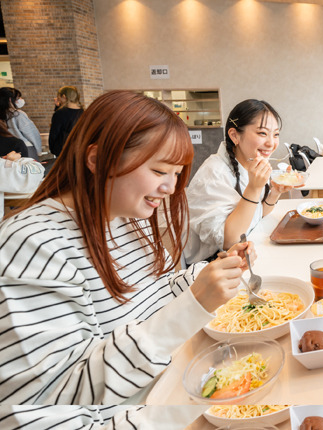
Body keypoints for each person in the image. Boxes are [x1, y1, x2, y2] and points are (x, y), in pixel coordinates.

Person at [0, 90, 253, 405]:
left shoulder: (127, 217)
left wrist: (214, 272)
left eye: (176, 175)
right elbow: (48, 399)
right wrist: (194, 304)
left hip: (176, 385)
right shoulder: (32, 246)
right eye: (160, 171)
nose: (171, 188)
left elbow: (157, 295)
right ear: (97, 159)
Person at [184, 99, 294, 264]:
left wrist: (275, 192)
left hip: (247, 253)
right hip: (212, 266)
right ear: (235, 135)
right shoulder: (214, 174)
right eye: (262, 133)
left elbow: (256, 215)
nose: (271, 143)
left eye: (275, 134)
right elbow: (229, 241)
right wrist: (254, 188)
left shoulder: (247, 163)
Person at [0, 87, 42, 160]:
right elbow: (31, 133)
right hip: (26, 148)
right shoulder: (18, 114)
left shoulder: (2, 115)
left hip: (7, 152)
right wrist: (39, 150)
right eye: (17, 98)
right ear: (10, 100)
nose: (20, 100)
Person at [49, 85, 84, 157]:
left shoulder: (60, 113)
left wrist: (52, 149)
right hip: (81, 148)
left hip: (64, 150)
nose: (58, 100)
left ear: (64, 96)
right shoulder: (84, 112)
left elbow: (54, 134)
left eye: (59, 97)